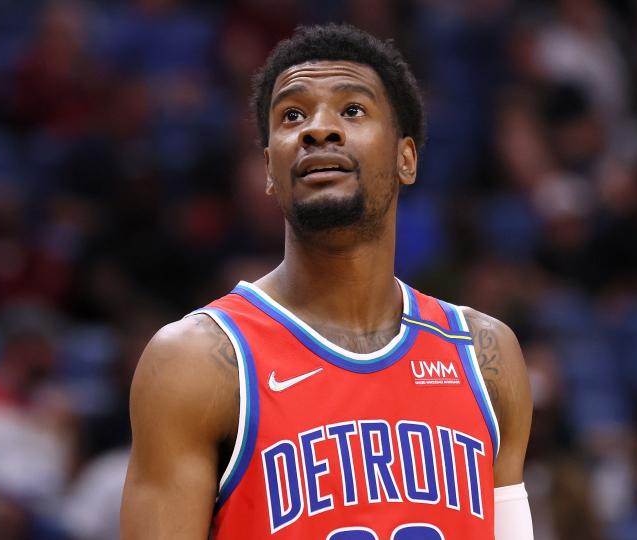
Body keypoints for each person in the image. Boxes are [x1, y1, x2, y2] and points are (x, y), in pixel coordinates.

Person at [121, 24, 533, 539]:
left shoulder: (485, 354)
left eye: (352, 110)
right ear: (270, 169)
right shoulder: (196, 361)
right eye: (292, 115)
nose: (318, 129)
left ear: (406, 158)